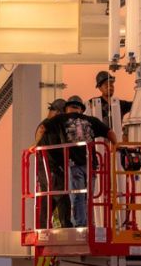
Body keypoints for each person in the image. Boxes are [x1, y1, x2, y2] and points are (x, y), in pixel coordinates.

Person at [61, 95, 111, 227]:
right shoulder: (90, 120)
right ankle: (84, 223)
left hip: (81, 164)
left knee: (81, 196)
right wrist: (117, 146)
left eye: (74, 107)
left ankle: (82, 224)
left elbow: (44, 128)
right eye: (73, 107)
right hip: (84, 164)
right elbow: (109, 132)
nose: (74, 110)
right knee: (83, 196)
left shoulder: (62, 120)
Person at [34, 98, 73, 227]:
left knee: (48, 197)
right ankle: (65, 224)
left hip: (45, 168)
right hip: (51, 168)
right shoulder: (50, 126)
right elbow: (54, 150)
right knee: (62, 197)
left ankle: (43, 225)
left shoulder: (44, 125)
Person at [86, 70, 130, 145]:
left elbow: (137, 105)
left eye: (112, 84)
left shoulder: (121, 104)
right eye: (106, 84)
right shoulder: (93, 103)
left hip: (116, 141)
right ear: (99, 88)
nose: (110, 87)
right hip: (99, 143)